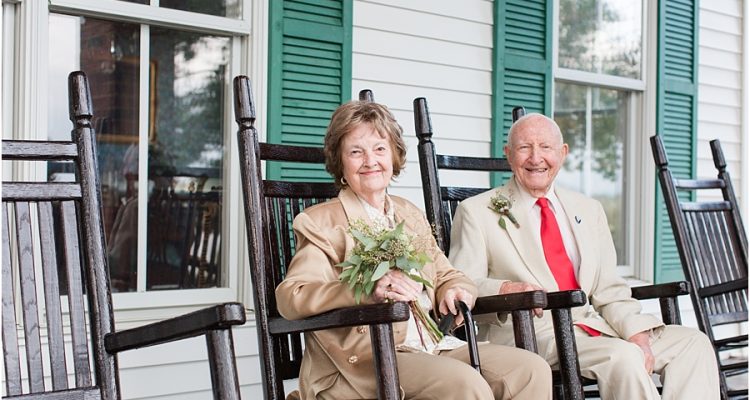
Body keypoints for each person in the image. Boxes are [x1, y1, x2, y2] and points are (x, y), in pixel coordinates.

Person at [276, 101, 552, 400]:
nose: (370, 161)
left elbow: (447, 274)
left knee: (530, 370)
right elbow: (292, 296)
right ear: (340, 162)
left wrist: (456, 289)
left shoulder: (408, 213)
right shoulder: (321, 222)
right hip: (366, 360)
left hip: (431, 345)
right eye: (356, 152)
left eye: (380, 149)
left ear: (394, 156)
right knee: (464, 383)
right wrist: (366, 289)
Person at [448, 113, 720, 400]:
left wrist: (636, 332)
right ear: (508, 154)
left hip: (592, 327)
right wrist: (505, 288)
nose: (536, 158)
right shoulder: (477, 211)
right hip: (532, 333)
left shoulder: (588, 209)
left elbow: (608, 289)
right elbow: (462, 283)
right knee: (624, 357)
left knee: (693, 343)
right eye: (524, 147)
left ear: (562, 153)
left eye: (545, 147)